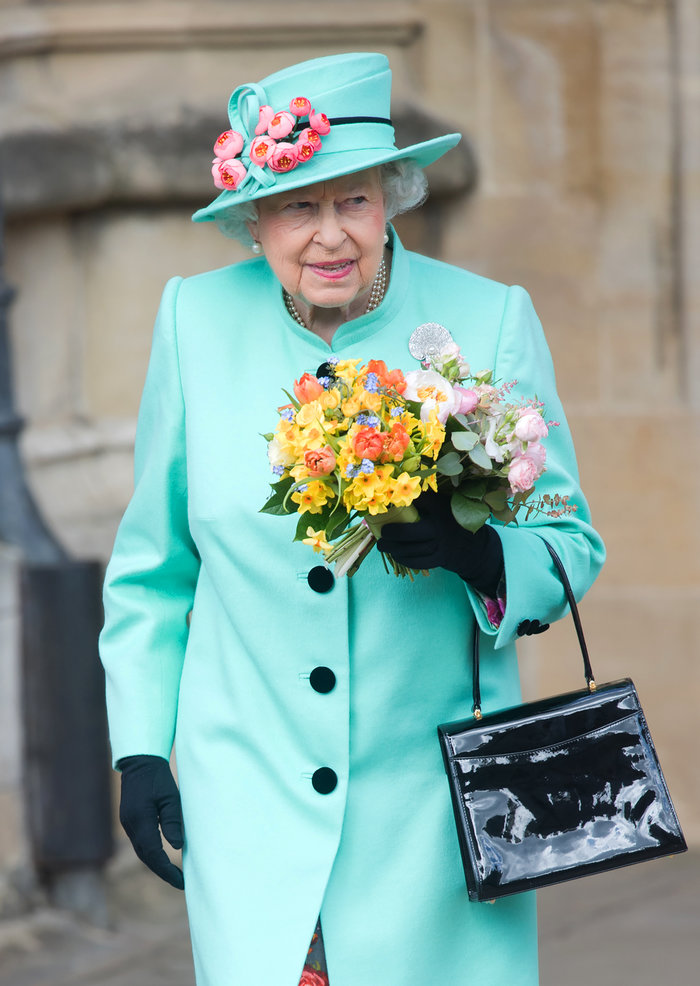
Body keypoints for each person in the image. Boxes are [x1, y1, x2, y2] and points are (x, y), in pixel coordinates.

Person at [99, 52, 605, 986]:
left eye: (354, 202)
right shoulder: (193, 323)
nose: (330, 237)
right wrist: (139, 750)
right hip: (247, 802)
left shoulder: (486, 320)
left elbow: (573, 545)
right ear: (254, 220)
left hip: (433, 819)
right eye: (298, 205)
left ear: (392, 200)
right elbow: (153, 572)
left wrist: (476, 552)